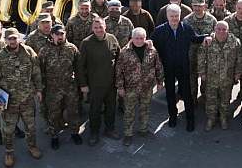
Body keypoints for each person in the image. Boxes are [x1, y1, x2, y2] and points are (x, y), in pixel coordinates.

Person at [0, 28, 43, 167]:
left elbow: (36, 72)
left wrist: (39, 90)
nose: (12, 41)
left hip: (27, 98)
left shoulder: (29, 52)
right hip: (9, 101)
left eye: (15, 38)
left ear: (19, 38)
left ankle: (32, 146)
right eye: (9, 39)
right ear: (5, 40)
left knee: (30, 126)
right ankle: (9, 152)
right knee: (8, 129)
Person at [152, 4, 210, 132]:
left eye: (176, 16)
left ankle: (190, 119)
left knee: (187, 94)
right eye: (171, 16)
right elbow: (152, 45)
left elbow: (195, 38)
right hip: (168, 67)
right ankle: (173, 117)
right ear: (167, 16)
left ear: (180, 16)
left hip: (183, 67)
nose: (174, 18)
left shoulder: (186, 28)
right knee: (170, 94)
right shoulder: (159, 31)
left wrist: (206, 37)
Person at [116, 28, 165, 146]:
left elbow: (158, 66)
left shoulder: (152, 50)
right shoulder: (124, 52)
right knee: (129, 112)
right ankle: (128, 134)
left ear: (145, 38)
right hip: (130, 87)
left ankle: (143, 129)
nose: (139, 41)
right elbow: (118, 71)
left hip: (146, 87)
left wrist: (160, 82)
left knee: (145, 109)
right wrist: (120, 87)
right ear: (132, 38)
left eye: (142, 38)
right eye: (136, 38)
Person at [77, 17, 122, 145]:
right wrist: (83, 84)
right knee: (95, 110)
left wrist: (119, 81)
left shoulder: (112, 39)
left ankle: (109, 129)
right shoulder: (86, 43)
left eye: (100, 27)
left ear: (105, 26)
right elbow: (80, 66)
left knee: (111, 108)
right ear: (92, 28)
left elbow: (119, 59)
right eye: (96, 27)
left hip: (111, 83)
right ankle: (94, 132)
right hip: (95, 84)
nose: (98, 30)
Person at [39, 24, 82, 149]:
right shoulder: (45, 51)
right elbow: (39, 71)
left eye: (62, 34)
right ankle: (54, 136)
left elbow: (78, 67)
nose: (60, 36)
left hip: (70, 87)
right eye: (57, 34)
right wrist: (40, 89)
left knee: (73, 111)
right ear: (52, 35)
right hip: (52, 88)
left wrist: (81, 84)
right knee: (54, 114)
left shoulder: (72, 48)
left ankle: (75, 133)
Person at [198, 21, 242, 130]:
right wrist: (202, 73)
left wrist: (238, 73)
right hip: (211, 78)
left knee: (225, 100)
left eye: (224, 29)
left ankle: (223, 118)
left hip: (227, 78)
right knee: (211, 100)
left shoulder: (235, 42)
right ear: (214, 29)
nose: (221, 32)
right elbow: (201, 57)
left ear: (228, 30)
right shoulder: (208, 41)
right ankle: (211, 119)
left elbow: (240, 59)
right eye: (219, 29)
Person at [183, 0, 218, 105]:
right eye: (195, 6)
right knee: (191, 78)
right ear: (192, 6)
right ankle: (192, 99)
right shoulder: (186, 20)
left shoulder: (212, 20)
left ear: (205, 6)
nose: (197, 8)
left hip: (207, 54)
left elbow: (216, 35)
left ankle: (204, 98)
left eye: (200, 6)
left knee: (206, 78)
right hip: (191, 53)